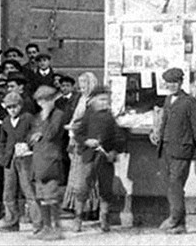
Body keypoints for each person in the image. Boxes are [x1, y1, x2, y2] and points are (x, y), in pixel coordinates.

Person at [150, 67, 196, 234]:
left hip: (181, 151)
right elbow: (164, 122)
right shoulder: (168, 100)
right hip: (166, 148)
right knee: (172, 185)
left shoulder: (189, 102)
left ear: (181, 83)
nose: (172, 86)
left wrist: (188, 145)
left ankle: (174, 218)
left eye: (175, 82)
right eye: (169, 83)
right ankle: (180, 224)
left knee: (175, 184)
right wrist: (155, 134)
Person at [74, 85, 125, 233]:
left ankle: (104, 218)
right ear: (93, 100)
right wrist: (86, 141)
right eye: (101, 99)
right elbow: (79, 133)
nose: (104, 103)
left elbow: (119, 137)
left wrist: (114, 151)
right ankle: (78, 218)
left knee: (106, 189)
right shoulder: (88, 115)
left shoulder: (110, 117)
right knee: (83, 188)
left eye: (107, 100)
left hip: (105, 158)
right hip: (89, 157)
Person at [0, 91, 40, 233]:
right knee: (8, 192)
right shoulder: (5, 122)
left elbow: (36, 133)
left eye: (15, 107)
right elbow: (2, 141)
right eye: (9, 107)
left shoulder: (28, 118)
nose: (12, 110)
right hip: (10, 159)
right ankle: (11, 222)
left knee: (28, 190)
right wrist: (2, 157)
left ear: (20, 106)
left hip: (25, 158)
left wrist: (28, 143)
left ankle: (38, 224)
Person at [29, 85, 66, 240]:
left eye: (46, 100)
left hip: (51, 159)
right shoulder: (37, 117)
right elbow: (31, 136)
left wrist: (46, 117)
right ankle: (46, 227)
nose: (42, 104)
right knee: (41, 196)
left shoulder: (58, 114)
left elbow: (51, 133)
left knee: (51, 196)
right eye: (40, 101)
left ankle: (57, 228)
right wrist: (33, 136)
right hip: (38, 159)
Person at [61, 71, 99, 222]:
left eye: (85, 84)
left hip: (88, 142)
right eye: (80, 84)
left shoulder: (94, 101)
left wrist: (74, 128)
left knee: (87, 177)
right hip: (77, 141)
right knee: (77, 175)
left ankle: (90, 209)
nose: (82, 87)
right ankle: (76, 207)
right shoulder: (81, 99)